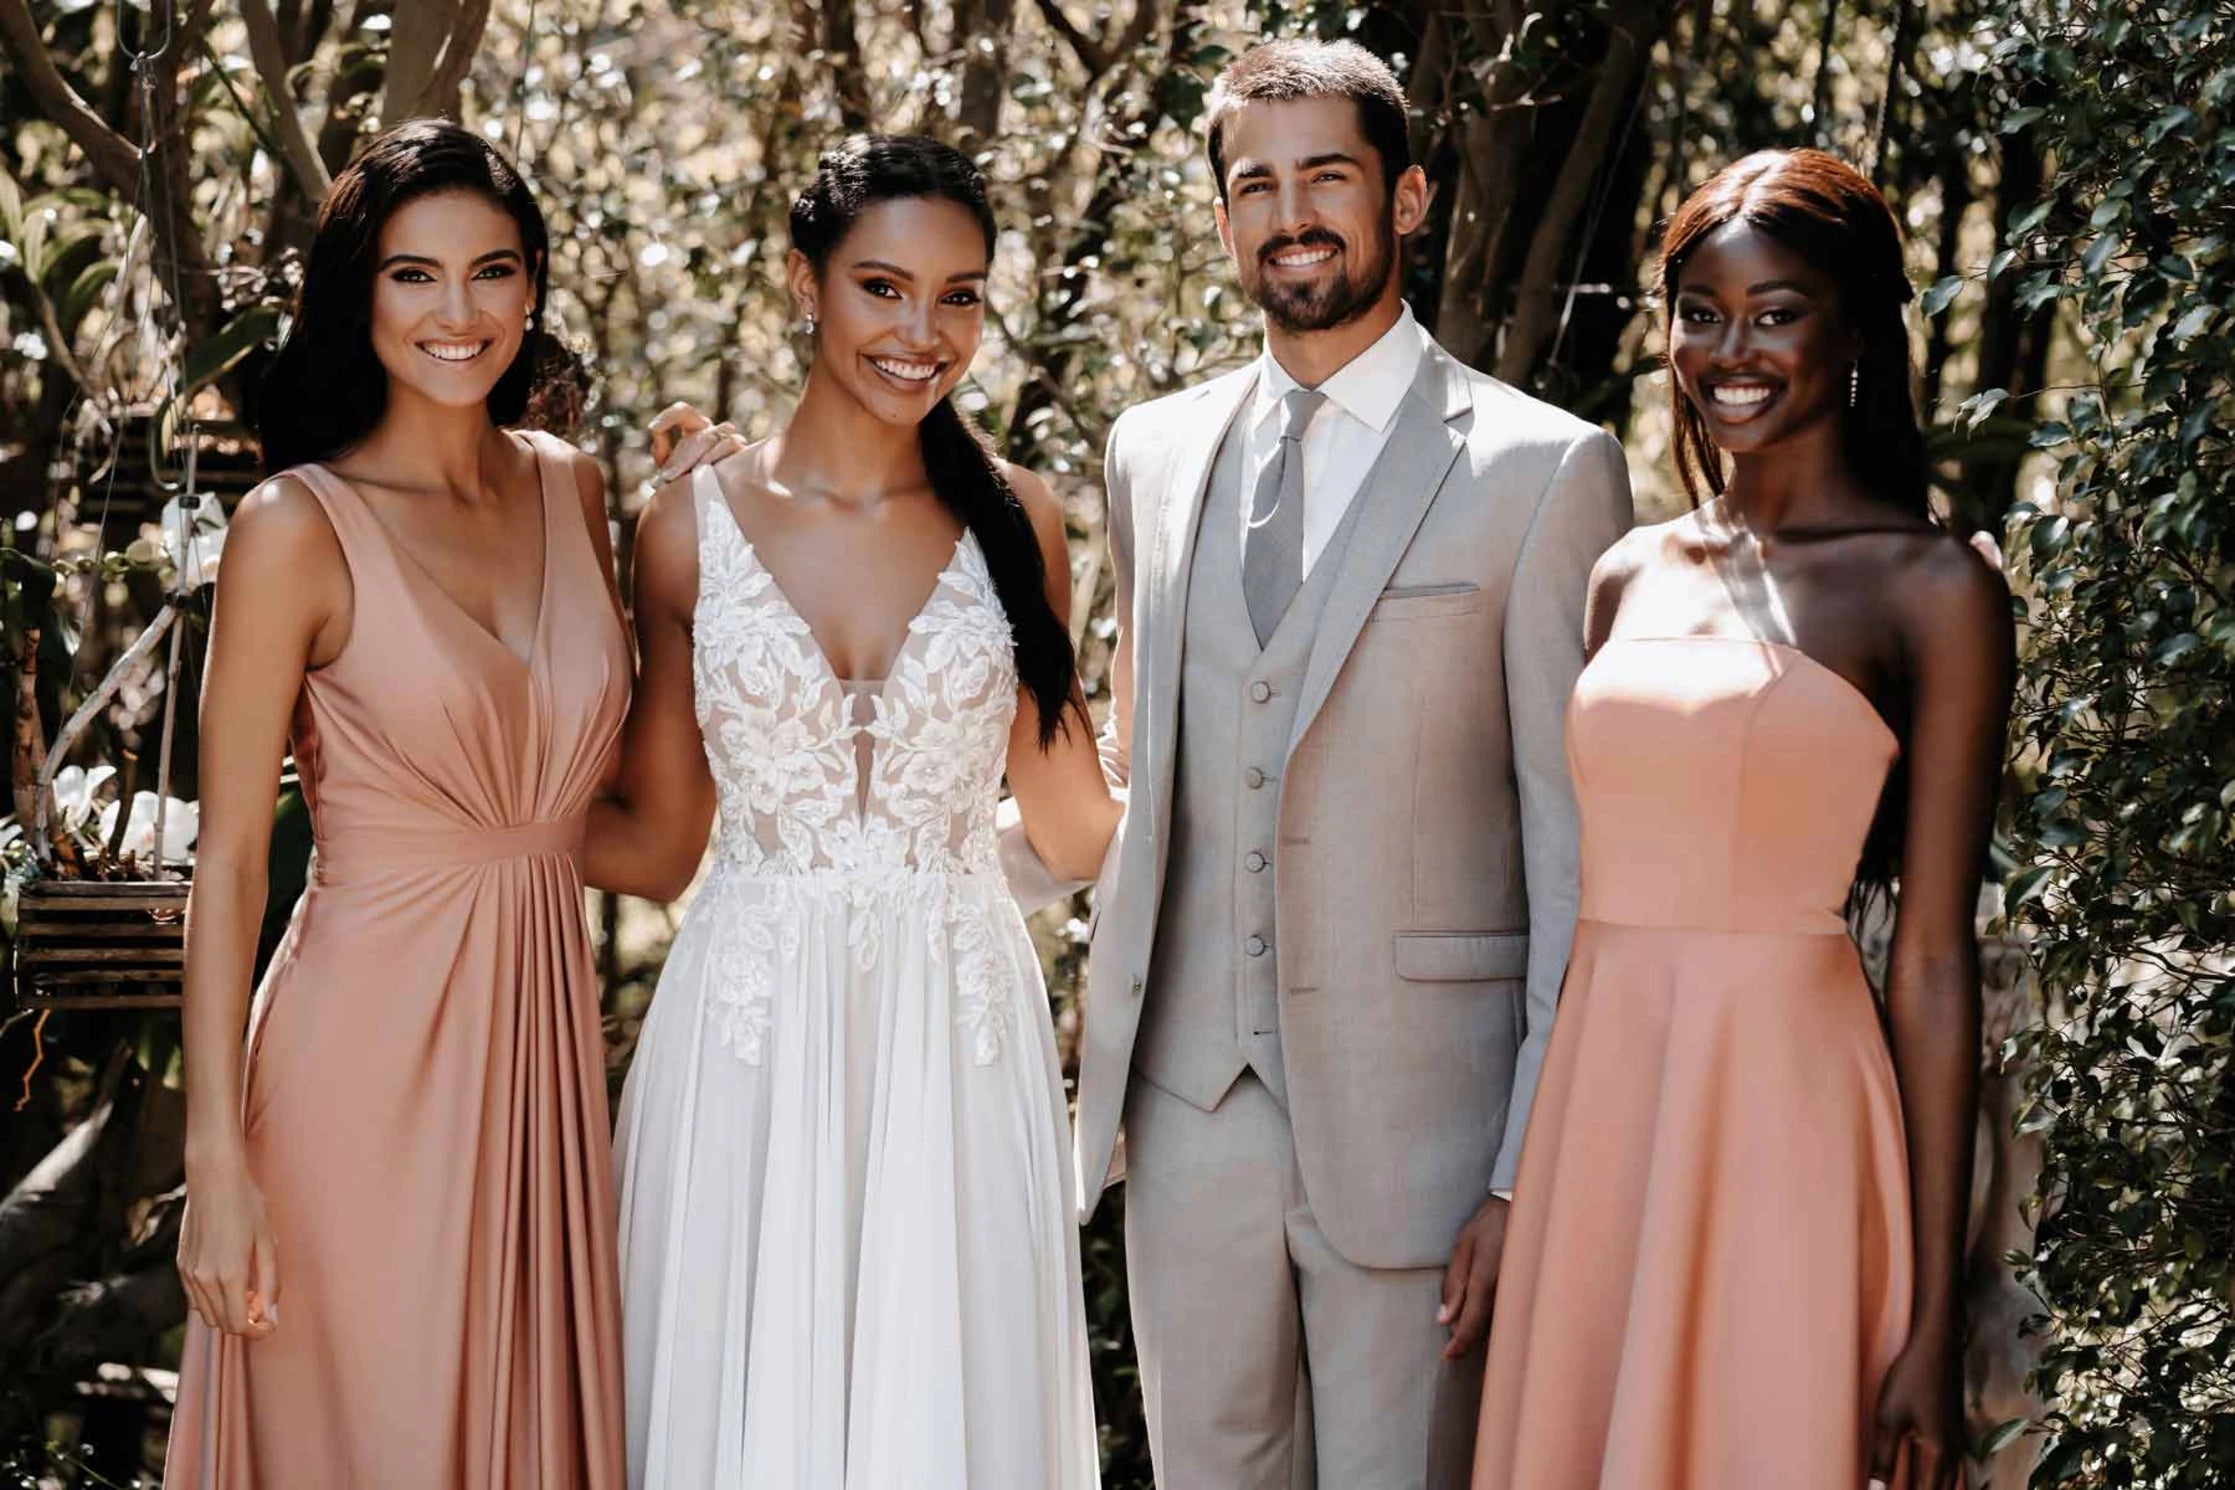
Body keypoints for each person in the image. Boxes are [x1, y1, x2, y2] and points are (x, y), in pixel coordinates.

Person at [1035, 38, 1631, 1488]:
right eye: (1256, 184)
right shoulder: (1151, 452)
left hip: (1427, 1129)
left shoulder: (1544, 468)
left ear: (1409, 198)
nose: (1291, 213)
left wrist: (1520, 1172)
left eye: (1328, 178)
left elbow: (1577, 852)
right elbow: (1141, 761)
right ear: (1224, 215)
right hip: (1188, 1113)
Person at [1471, 148, 2013, 1490]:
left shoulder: (1933, 587)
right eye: (1701, 311)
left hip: (1787, 1114)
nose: (1733, 349)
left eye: (1778, 312)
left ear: (1856, 333)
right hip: (1607, 1104)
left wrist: (1937, 1316)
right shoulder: (1627, 574)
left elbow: (1935, 959)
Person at [588, 134, 1117, 1488]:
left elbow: (1072, 831)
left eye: (959, 297)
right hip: (748, 1046)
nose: (921, 332)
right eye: (882, 288)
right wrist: (442, 820)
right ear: (799, 284)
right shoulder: (683, 526)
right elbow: (657, 843)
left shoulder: (1021, 522)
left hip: (956, 1037)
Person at [169, 120, 628, 1487]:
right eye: (414, 275)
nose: (458, 311)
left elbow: (629, 819)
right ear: (359, 293)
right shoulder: (292, 528)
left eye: (492, 271)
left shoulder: (577, 488)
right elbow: (233, 864)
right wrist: (215, 1160)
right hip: (351, 1074)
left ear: (533, 287)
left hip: (542, 1052)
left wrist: (729, 530)